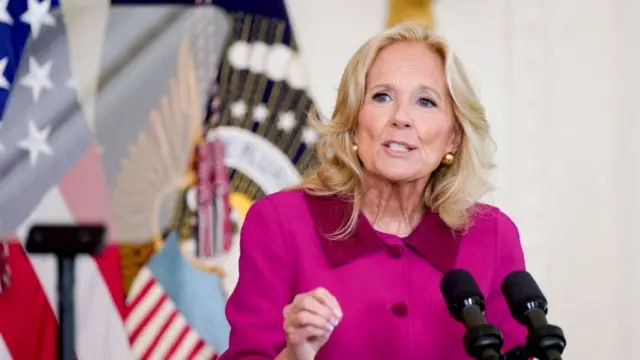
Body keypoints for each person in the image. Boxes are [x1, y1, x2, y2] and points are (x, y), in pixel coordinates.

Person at [219, 21, 527, 360]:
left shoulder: (491, 235)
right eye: (382, 97)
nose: (401, 117)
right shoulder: (281, 222)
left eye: (425, 101)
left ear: (453, 138)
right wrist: (295, 354)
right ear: (353, 124)